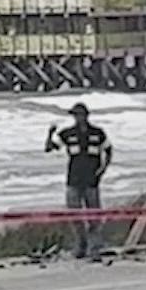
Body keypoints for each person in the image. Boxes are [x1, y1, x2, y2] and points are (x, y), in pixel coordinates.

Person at [45, 102, 112, 260]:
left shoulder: (98, 133)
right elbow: (49, 148)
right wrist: (49, 134)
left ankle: (94, 248)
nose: (78, 118)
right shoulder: (68, 134)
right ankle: (81, 245)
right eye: (75, 115)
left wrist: (103, 170)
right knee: (75, 215)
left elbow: (109, 150)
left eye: (80, 115)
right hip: (73, 180)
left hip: (91, 180)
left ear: (86, 115)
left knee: (94, 215)